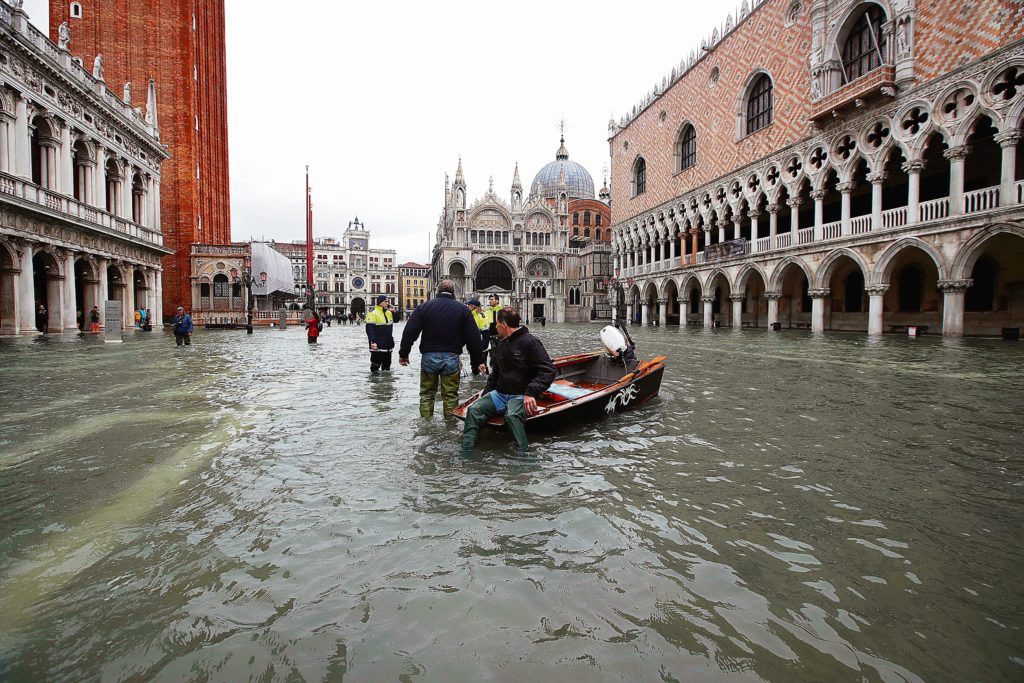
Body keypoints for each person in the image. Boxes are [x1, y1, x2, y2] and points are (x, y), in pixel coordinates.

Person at [461, 306, 556, 458]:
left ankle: (523, 456)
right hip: (500, 394)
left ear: (503, 324)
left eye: (497, 324)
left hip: (521, 395)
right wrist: (485, 394)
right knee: (474, 410)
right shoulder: (502, 345)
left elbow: (548, 370)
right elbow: (495, 374)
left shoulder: (531, 342)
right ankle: (466, 453)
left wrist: (531, 393)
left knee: (511, 416)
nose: (495, 327)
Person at [398, 280, 485, 418]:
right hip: (451, 356)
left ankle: (426, 427)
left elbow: (410, 332)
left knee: (427, 395)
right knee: (450, 395)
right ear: (453, 292)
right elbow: (473, 338)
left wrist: (404, 354)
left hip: (428, 356)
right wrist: (478, 361)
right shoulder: (463, 310)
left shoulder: (424, 307)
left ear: (438, 291)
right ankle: (449, 428)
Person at [365, 295, 395, 372]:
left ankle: (386, 384)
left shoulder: (389, 313)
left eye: (388, 301)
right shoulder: (372, 314)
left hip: (388, 345)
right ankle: (375, 383)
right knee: (375, 368)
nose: (387, 303)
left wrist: (394, 312)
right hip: (377, 345)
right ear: (379, 303)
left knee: (387, 368)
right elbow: (369, 330)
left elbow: (397, 320)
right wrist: (373, 342)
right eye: (385, 301)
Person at [467, 298, 490, 375]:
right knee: (474, 366)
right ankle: (476, 384)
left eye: (469, 305)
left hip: (481, 345)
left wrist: (483, 347)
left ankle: (487, 382)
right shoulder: (469, 315)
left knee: (483, 365)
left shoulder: (481, 315)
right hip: (473, 345)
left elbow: (485, 332)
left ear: (473, 306)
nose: (468, 307)